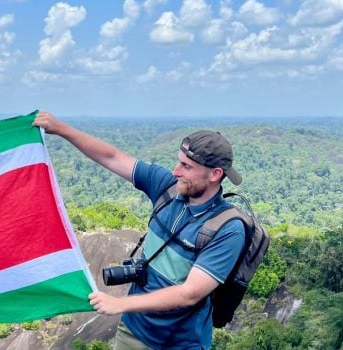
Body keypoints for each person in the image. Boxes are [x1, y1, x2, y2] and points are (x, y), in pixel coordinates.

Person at [33, 111, 246, 350]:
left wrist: (120, 304)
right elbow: (112, 157)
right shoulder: (167, 188)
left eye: (186, 166)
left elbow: (190, 294)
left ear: (215, 174)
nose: (176, 171)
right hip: (133, 332)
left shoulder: (228, 229)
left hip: (182, 342)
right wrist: (61, 129)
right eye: (178, 162)